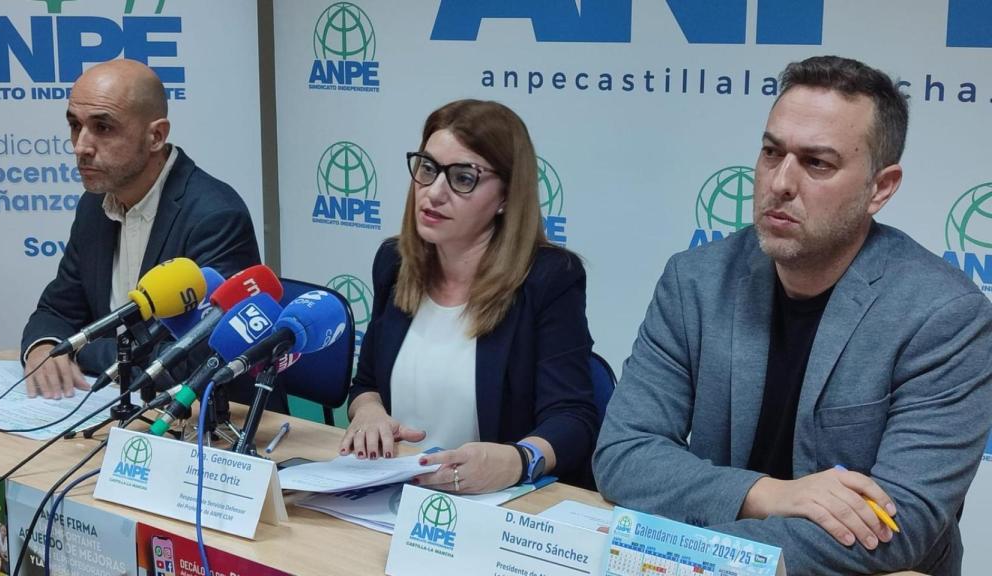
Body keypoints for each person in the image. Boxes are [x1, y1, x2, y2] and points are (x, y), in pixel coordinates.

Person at [594, 55, 992, 575]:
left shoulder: (946, 316)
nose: (780, 182)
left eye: (817, 163)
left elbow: (903, 524)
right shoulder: (695, 280)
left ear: (881, 188)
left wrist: (703, 551)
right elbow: (624, 454)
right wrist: (768, 493)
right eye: (770, 152)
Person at [339, 99, 598, 492]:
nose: (434, 192)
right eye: (427, 169)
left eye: (463, 178)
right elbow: (367, 384)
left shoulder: (548, 279)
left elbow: (573, 418)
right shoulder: (394, 264)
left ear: (507, 197)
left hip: (497, 504)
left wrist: (516, 460)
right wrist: (369, 411)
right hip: (396, 492)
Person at [20, 59, 260, 400]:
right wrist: (44, 347)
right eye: (75, 125)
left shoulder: (215, 215)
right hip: (114, 401)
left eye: (103, 128)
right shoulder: (95, 206)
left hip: (208, 418)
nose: (81, 146)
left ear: (156, 136)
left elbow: (195, 356)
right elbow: (58, 310)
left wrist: (75, 350)